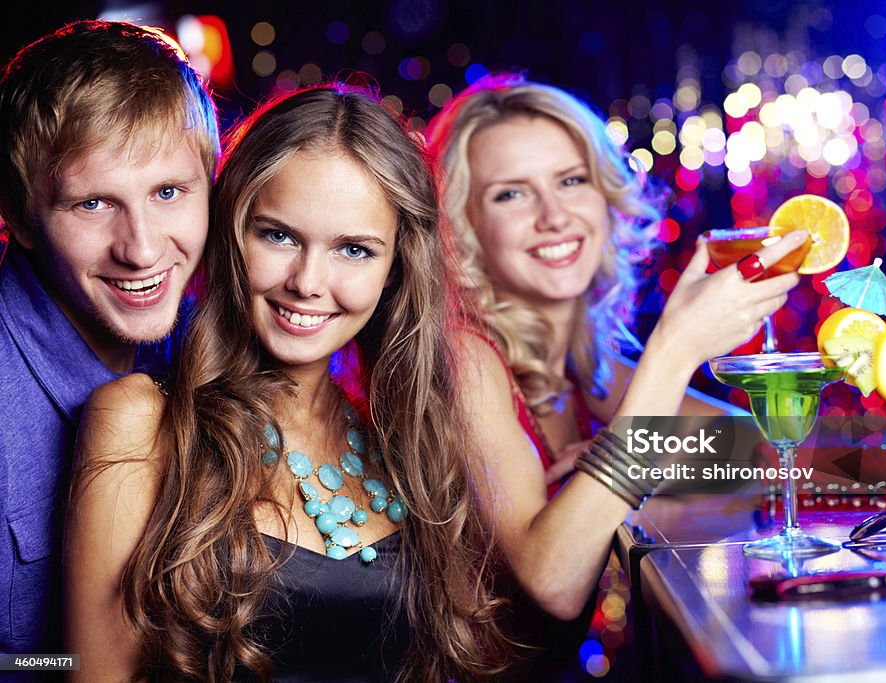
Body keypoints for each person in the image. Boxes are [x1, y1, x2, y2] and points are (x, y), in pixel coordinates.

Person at [65, 85, 509, 682]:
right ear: (231, 230)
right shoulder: (140, 421)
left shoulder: (400, 438)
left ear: (395, 268)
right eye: (278, 235)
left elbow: (545, 589)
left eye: (353, 250)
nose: (308, 282)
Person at [427, 75, 807, 629]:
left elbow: (768, 457)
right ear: (464, 229)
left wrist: (616, 469)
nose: (554, 216)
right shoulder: (463, 358)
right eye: (510, 193)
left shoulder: (584, 371)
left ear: (606, 197)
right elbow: (552, 582)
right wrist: (674, 351)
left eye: (571, 180)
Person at [0, 20, 217, 656]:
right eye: (93, 204)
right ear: (18, 218)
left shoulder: (214, 347)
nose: (143, 249)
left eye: (169, 192)